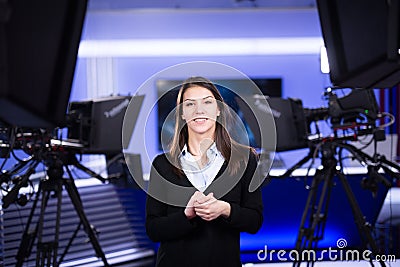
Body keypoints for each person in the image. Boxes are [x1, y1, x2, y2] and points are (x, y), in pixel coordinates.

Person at [145, 76, 263, 267]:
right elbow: (153, 229)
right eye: (190, 104)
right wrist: (186, 215)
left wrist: (226, 209)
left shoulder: (244, 160)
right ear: (182, 113)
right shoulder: (162, 164)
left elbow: (254, 221)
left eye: (207, 102)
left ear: (218, 110)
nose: (199, 110)